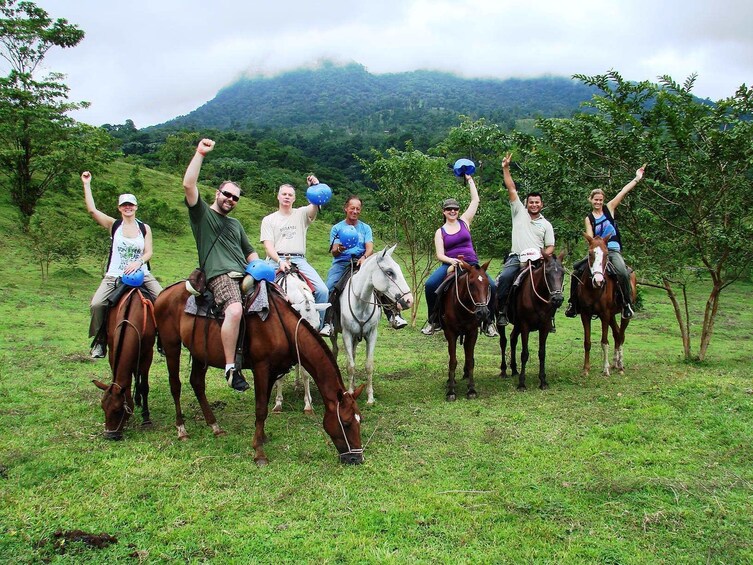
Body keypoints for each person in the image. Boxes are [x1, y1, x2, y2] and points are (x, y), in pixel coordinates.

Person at [183, 138, 259, 392]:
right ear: (217, 193)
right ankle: (230, 368)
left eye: (235, 198)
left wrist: (260, 266)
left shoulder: (235, 225)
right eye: (226, 194)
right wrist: (200, 154)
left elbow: (249, 252)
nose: (230, 199)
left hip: (246, 274)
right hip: (220, 275)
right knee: (235, 310)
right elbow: (188, 184)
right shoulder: (202, 215)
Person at [83, 171, 163, 358]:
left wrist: (139, 262)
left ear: (136, 207)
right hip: (115, 275)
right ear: (119, 208)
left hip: (142, 274)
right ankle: (101, 341)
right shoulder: (114, 225)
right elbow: (92, 211)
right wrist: (87, 184)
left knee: (162, 300)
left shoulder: (144, 228)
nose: (128, 207)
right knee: (96, 304)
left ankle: (162, 339)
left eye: (131, 204)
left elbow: (149, 251)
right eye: (124, 205)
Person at [565, 165, 645, 320]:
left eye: (600, 200)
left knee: (622, 271)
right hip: (597, 251)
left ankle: (626, 304)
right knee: (577, 272)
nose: (598, 202)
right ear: (591, 200)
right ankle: (573, 304)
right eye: (596, 200)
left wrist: (636, 178)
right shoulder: (589, 218)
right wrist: (594, 244)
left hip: (612, 250)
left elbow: (623, 192)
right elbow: (590, 237)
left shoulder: (610, 209)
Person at [421, 174, 498, 337]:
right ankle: (433, 320)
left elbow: (475, 201)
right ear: (444, 212)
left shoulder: (465, 221)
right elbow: (439, 254)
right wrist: (451, 261)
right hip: (450, 265)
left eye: (455, 208)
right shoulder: (439, 231)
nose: (453, 211)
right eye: (449, 209)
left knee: (493, 285)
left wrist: (470, 180)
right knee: (430, 285)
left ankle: (489, 322)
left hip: (472, 264)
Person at [320, 195, 408, 336]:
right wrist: (341, 249)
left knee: (380, 281)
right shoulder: (337, 228)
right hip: (342, 263)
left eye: (358, 209)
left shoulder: (365, 228)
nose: (355, 211)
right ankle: (327, 323)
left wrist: (365, 257)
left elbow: (370, 247)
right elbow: (334, 252)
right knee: (330, 287)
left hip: (362, 262)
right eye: (352, 208)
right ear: (346, 208)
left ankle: (393, 315)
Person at [496, 152, 555, 327]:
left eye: (537, 202)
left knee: (554, 280)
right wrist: (506, 168)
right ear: (526, 203)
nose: (534, 205)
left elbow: (550, 246)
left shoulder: (547, 224)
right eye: (531, 202)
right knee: (505, 277)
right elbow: (512, 188)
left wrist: (543, 255)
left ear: (541, 204)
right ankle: (502, 312)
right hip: (517, 257)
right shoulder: (518, 212)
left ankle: (550, 317)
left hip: (537, 260)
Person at [260, 179, 329, 328]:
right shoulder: (269, 220)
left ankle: (320, 327)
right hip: (274, 260)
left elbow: (314, 205)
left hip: (299, 260)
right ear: (278, 197)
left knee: (323, 290)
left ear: (294, 198)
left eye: (290, 194)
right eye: (284, 194)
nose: (287, 197)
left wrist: (315, 187)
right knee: (258, 290)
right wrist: (279, 261)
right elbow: (268, 246)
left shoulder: (302, 213)